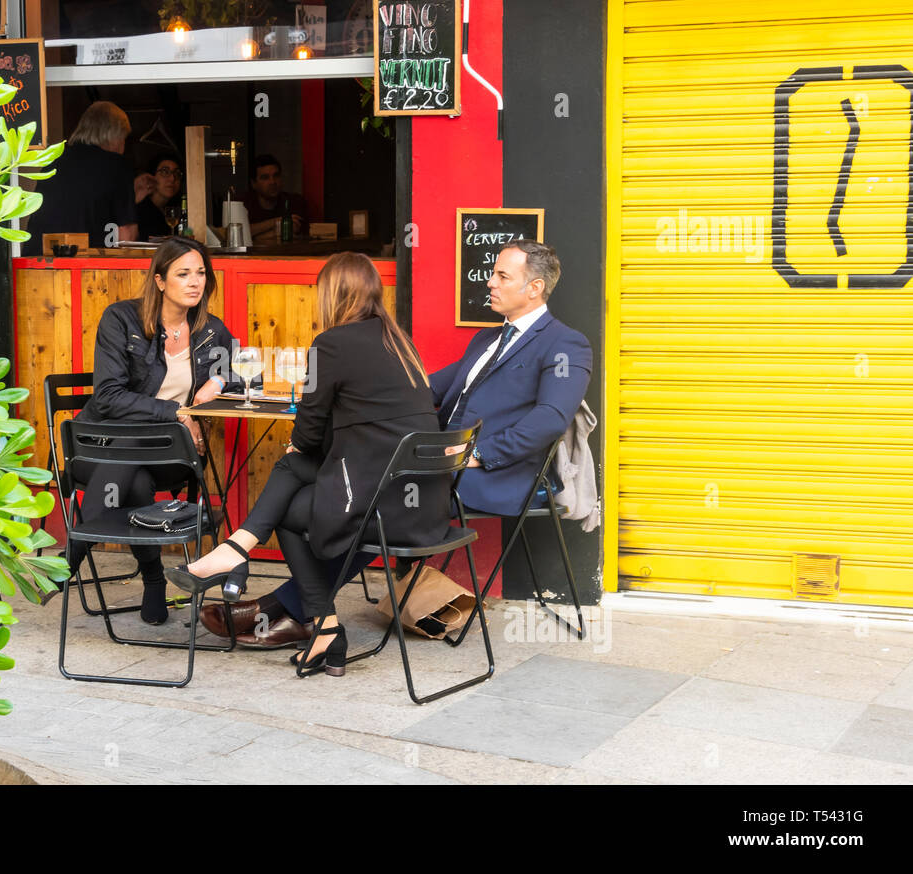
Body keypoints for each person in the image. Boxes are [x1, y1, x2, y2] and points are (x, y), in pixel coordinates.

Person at [165, 252, 448, 675]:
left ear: (330, 295)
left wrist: (298, 447)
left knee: (289, 499)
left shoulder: (330, 345)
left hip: (381, 506)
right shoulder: (398, 342)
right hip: (422, 504)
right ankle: (252, 565)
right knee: (292, 476)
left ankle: (304, 609)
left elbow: (309, 433)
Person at [68, 236, 238, 625]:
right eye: (183, 274)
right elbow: (108, 397)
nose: (195, 282)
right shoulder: (121, 319)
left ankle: (72, 554)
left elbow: (248, 369)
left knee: (139, 463)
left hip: (170, 456)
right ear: (160, 281)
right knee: (137, 481)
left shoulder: (210, 330)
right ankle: (154, 579)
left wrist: (222, 381)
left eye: (200, 273)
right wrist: (177, 412)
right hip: (103, 450)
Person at [431, 240, 592, 514]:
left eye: (502, 276)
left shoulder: (565, 344)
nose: (490, 283)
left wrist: (479, 454)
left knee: (398, 493)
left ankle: (412, 557)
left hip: (496, 476)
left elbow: (551, 418)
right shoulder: (486, 338)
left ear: (535, 288)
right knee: (371, 472)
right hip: (441, 459)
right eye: (493, 274)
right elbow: (431, 387)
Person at [26, 101, 139, 249]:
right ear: (114, 135)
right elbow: (126, 236)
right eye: (123, 138)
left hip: (37, 263)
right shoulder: (115, 165)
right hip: (86, 266)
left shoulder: (53, 162)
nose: (123, 145)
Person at [242, 154, 309, 242]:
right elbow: (239, 234)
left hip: (287, 254)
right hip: (253, 255)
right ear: (254, 183)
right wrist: (277, 222)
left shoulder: (294, 201)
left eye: (276, 176)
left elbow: (297, 234)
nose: (272, 182)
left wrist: (256, 236)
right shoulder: (244, 204)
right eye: (265, 178)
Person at [135, 155, 183, 241]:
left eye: (177, 173)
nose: (172, 178)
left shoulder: (178, 210)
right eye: (165, 172)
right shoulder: (140, 208)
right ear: (151, 176)